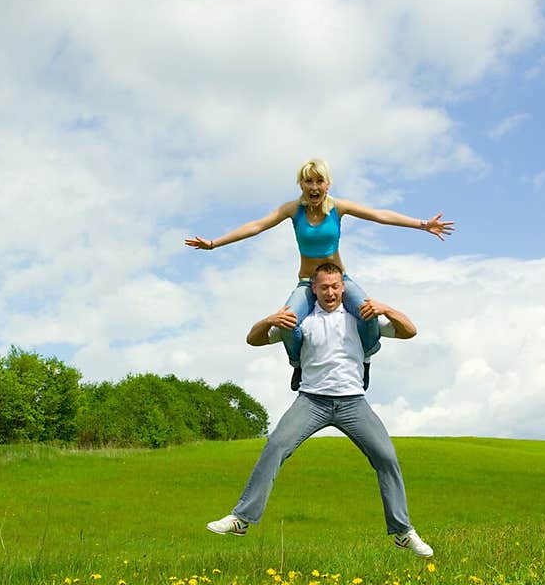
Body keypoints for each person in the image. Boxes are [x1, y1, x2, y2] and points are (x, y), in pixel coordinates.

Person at [206, 260, 434, 557]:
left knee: (386, 456)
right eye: (324, 287)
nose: (330, 292)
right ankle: (241, 519)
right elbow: (253, 339)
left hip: (352, 402)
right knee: (276, 446)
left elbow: (410, 331)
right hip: (311, 400)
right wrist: (270, 319)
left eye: (335, 286)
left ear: (343, 288)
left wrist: (385, 309)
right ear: (313, 290)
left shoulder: (359, 319)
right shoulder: (303, 322)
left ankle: (403, 532)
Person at [185, 158, 454, 383]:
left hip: (338, 281)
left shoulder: (338, 207)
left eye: (319, 181)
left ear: (327, 184)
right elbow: (257, 225)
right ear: (301, 184)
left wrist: (422, 224)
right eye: (308, 181)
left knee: (367, 310)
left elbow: (379, 215)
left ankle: (367, 356)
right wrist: (213, 244)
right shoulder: (292, 209)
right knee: (288, 319)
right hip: (306, 282)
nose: (313, 187)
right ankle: (298, 364)